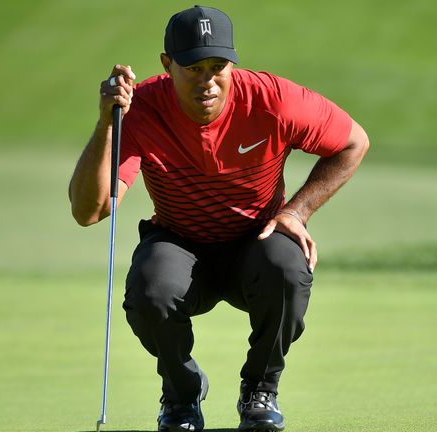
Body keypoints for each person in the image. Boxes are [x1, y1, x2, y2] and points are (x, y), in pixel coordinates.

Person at [69, 5, 369, 432]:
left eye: (218, 66)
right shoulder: (142, 109)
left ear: (233, 62)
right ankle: (181, 395)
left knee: (288, 265)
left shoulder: (273, 100)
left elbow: (353, 142)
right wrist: (106, 125)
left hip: (257, 241)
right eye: (193, 67)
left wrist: (297, 212)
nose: (208, 80)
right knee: (151, 288)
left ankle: (260, 391)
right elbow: (89, 211)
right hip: (181, 241)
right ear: (167, 64)